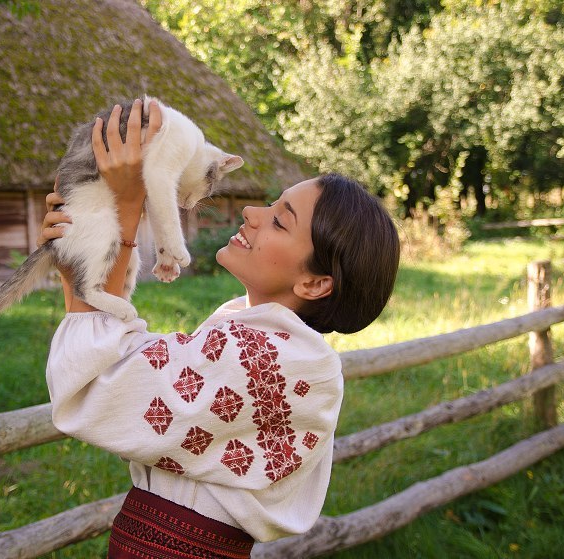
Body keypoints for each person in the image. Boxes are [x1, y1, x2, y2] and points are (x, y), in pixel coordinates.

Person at [40, 99, 400, 558]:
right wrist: (89, 249)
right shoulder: (251, 337)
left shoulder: (276, 359)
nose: (252, 212)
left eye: (279, 219)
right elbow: (118, 369)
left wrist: (123, 213)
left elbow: (99, 390)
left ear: (313, 282)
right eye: (270, 204)